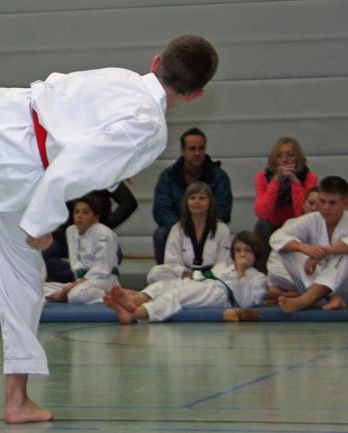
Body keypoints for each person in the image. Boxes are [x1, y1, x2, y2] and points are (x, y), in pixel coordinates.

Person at [0, 1, 217, 423]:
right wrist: (40, 220)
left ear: (156, 62)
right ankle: (16, 400)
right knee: (21, 279)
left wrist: (104, 178)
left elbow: (79, 137)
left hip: (7, 108)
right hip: (19, 166)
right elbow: (76, 164)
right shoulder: (150, 127)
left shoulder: (122, 78)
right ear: (195, 94)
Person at [269, 176, 348, 313]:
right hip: (322, 297)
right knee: (288, 249)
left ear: (346, 203)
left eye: (332, 203)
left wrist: (325, 252)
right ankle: (330, 296)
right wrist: (304, 248)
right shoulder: (312, 219)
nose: (326, 208)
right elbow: (276, 238)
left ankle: (305, 300)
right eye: (322, 201)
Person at [103, 231, 266, 323]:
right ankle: (134, 300)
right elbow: (207, 276)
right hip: (202, 282)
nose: (242, 254)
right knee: (164, 285)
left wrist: (241, 274)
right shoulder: (225, 266)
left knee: (176, 295)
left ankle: (136, 313)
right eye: (238, 250)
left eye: (247, 250)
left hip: (219, 294)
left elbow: (246, 302)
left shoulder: (257, 278)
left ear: (256, 254)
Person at [151, 128, 232, 265]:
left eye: (201, 148)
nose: (197, 153)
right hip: (177, 226)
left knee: (223, 230)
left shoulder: (219, 176)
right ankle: (168, 273)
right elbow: (161, 210)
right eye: (192, 149)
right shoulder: (168, 176)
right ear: (182, 151)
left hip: (209, 227)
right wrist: (182, 227)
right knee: (160, 233)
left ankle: (215, 273)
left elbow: (224, 210)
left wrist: (203, 225)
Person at [42, 182, 137, 283]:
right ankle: (78, 280)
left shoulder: (105, 176)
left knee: (114, 254)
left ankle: (99, 281)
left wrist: (106, 225)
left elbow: (129, 202)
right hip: (68, 235)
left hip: (98, 233)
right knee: (45, 254)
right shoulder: (64, 177)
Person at [146, 182, 232, 284]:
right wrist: (186, 274)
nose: (197, 202)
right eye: (192, 198)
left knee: (231, 273)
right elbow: (172, 262)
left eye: (202, 198)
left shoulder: (222, 229)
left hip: (213, 277)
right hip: (186, 276)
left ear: (210, 202)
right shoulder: (178, 228)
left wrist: (209, 276)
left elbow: (223, 262)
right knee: (155, 272)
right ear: (186, 202)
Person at [46, 194, 119, 304]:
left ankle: (113, 295)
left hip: (104, 279)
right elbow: (75, 263)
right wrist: (75, 284)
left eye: (85, 212)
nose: (80, 216)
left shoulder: (104, 233)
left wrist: (71, 288)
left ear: (96, 217)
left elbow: (102, 269)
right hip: (81, 280)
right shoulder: (71, 231)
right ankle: (66, 294)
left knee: (77, 295)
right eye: (76, 212)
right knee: (41, 288)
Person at [253, 137, 318, 259]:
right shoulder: (263, 177)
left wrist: (295, 182)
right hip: (274, 225)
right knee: (262, 225)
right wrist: (275, 182)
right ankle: (263, 269)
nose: (284, 160)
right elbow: (262, 213)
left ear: (297, 158)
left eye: (289, 155)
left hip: (298, 226)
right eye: (279, 156)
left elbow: (303, 213)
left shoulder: (310, 177)